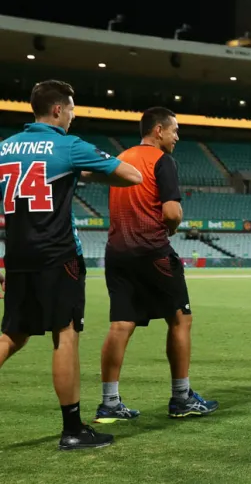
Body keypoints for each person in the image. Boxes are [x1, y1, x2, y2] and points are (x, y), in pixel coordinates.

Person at [0, 80, 142, 449]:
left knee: (11, 335)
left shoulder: (5, 148)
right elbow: (132, 176)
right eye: (72, 110)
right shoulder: (69, 145)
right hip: (58, 256)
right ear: (58, 110)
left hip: (17, 257)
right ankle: (73, 430)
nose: (73, 117)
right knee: (65, 335)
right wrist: (86, 169)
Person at [95, 107, 218, 424]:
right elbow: (172, 213)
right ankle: (181, 397)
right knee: (180, 319)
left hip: (117, 252)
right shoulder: (162, 161)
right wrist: (172, 228)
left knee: (121, 324)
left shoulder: (121, 158)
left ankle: (109, 402)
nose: (177, 137)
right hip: (153, 252)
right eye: (174, 130)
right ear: (158, 130)